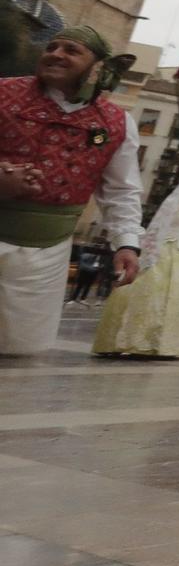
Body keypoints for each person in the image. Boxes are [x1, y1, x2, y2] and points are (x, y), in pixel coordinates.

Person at [0, 28, 143, 355]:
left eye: (71, 50)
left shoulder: (114, 124)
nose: (56, 54)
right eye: (51, 46)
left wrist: (126, 244)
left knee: (18, 348)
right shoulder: (3, 93)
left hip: (46, 257)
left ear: (97, 68)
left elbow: (121, 191)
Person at [92, 171, 179, 358]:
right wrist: (148, 254)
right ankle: (137, 340)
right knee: (150, 291)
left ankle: (168, 345)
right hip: (164, 250)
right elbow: (156, 228)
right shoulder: (172, 203)